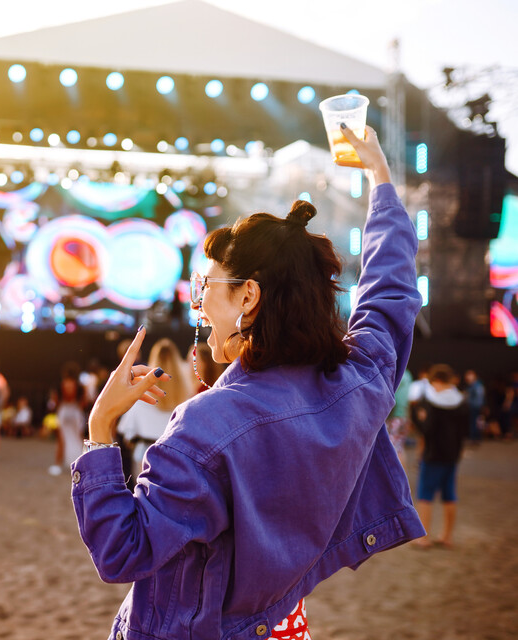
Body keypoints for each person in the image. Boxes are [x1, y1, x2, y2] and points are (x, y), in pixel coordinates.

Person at [70, 126, 425, 640]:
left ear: (247, 297)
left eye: (205, 285)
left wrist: (101, 427)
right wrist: (381, 179)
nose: (198, 303)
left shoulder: (208, 424)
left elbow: (123, 551)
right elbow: (390, 291)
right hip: (285, 624)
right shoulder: (361, 380)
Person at [411, 364, 468, 549]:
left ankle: (423, 537)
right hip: (452, 456)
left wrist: (418, 417)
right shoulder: (461, 401)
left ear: (436, 380)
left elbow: (427, 431)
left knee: (425, 495)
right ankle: (447, 536)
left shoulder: (432, 403)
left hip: (433, 455)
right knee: (449, 495)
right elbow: (464, 431)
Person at [117, 338, 193, 475]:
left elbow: (126, 432)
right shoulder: (189, 394)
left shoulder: (141, 392)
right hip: (178, 460)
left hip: (145, 460)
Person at [50, 361, 84, 475]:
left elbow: (55, 401)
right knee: (78, 437)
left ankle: (58, 464)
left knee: (61, 438)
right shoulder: (80, 386)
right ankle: (82, 464)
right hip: (76, 410)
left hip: (64, 409)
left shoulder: (61, 384)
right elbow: (84, 401)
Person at [386, 368, 413, 463]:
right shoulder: (408, 374)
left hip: (394, 417)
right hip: (404, 416)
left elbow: (392, 397)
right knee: (399, 447)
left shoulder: (396, 373)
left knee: (393, 450)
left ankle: (396, 477)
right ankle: (402, 476)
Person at [463, 369, 485, 442]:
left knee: (475, 422)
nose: (467, 377)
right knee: (474, 422)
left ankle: (475, 438)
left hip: (475, 406)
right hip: (473, 406)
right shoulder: (472, 385)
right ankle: (474, 437)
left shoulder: (477, 385)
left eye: (469, 375)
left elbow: (479, 397)